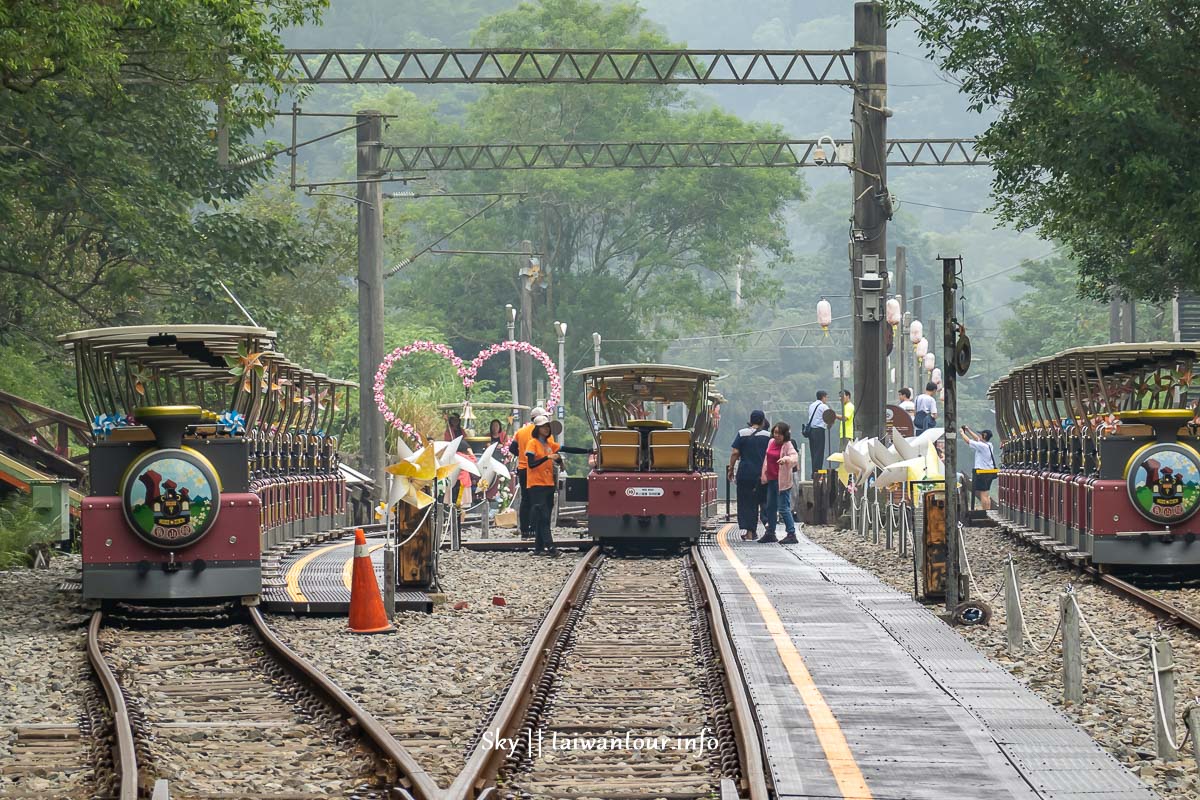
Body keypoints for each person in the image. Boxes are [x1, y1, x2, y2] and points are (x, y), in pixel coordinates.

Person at [727, 410, 771, 541]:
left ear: (751, 421)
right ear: (763, 421)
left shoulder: (742, 433)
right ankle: (769, 526)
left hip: (745, 473)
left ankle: (750, 533)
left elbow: (735, 452)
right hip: (763, 474)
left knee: (747, 503)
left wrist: (730, 469)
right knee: (764, 500)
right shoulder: (768, 436)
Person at [524, 414, 562, 555]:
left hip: (548, 483)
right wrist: (547, 457)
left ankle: (538, 548)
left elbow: (563, 449)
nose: (546, 429)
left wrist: (588, 451)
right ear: (537, 429)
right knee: (544, 516)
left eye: (547, 427)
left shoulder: (548, 444)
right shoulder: (532, 443)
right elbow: (531, 464)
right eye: (543, 427)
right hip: (536, 485)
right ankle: (551, 548)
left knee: (543, 517)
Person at [759, 422, 800, 544]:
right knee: (770, 507)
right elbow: (767, 459)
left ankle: (791, 533)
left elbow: (794, 457)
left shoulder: (788, 445)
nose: (776, 436)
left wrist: (785, 459)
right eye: (775, 433)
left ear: (785, 435)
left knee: (783, 507)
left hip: (782, 481)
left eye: (779, 434)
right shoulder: (771, 442)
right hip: (771, 479)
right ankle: (770, 532)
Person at [962, 426, 997, 511]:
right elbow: (977, 439)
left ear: (984, 436)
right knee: (986, 493)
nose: (979, 436)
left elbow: (968, 441)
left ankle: (985, 512)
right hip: (989, 472)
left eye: (981, 435)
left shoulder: (982, 446)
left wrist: (962, 433)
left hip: (982, 473)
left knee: (983, 494)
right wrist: (968, 430)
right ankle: (988, 511)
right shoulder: (989, 445)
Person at [803, 391, 831, 479]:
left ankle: (814, 472)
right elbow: (830, 415)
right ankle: (817, 472)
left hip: (811, 431)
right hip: (819, 431)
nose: (827, 399)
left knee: (813, 452)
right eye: (826, 397)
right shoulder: (823, 406)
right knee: (819, 452)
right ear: (823, 397)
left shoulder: (811, 405)